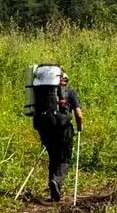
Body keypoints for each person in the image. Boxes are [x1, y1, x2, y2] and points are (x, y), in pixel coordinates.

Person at [32, 70, 82, 203]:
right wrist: (80, 128)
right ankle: (56, 181)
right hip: (63, 129)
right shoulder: (70, 92)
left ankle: (53, 193)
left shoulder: (43, 94)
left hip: (45, 127)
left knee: (53, 158)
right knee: (64, 159)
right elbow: (79, 115)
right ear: (65, 81)